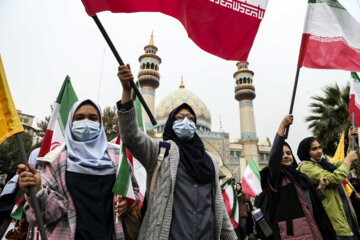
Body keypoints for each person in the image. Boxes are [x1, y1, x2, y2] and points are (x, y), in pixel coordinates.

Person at [117, 64, 237, 240]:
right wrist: (127, 92)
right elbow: (131, 136)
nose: (186, 121)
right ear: (170, 123)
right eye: (179, 118)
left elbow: (218, 208)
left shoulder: (210, 161)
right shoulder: (161, 152)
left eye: (190, 118)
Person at [18, 99, 139, 240]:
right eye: (79, 118)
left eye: (93, 118)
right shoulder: (56, 159)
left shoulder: (118, 156)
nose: (86, 123)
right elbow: (41, 217)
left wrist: (127, 202)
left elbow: (133, 191)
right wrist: (38, 191)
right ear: (70, 122)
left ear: (101, 124)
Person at [258, 114, 336, 239]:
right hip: (294, 234)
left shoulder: (300, 176)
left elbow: (307, 201)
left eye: (288, 153)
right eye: (282, 154)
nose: (286, 156)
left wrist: (320, 189)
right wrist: (282, 126)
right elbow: (274, 158)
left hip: (313, 228)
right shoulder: (277, 178)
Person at [298, 129, 360, 239]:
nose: (319, 151)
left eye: (320, 147)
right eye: (314, 149)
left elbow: (352, 162)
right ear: (305, 151)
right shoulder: (306, 167)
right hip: (333, 224)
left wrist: (352, 141)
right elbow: (334, 178)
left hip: (345, 217)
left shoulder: (325, 163)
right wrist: (348, 161)